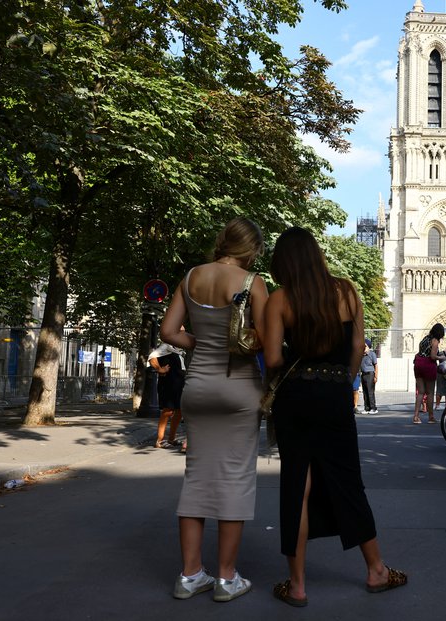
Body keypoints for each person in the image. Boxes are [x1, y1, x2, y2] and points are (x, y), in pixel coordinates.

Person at [264, 226, 406, 607]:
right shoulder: (346, 291)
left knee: (297, 485)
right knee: (347, 480)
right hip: (333, 393)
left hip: (295, 397)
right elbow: (359, 345)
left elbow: (275, 359)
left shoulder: (279, 299)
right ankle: (376, 569)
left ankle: (296, 586)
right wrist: (342, 379)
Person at [160, 217, 268, 602]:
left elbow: (169, 332)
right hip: (238, 389)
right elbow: (266, 340)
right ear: (251, 248)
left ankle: (190, 575)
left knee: (197, 479)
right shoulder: (252, 283)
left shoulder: (190, 278)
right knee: (235, 479)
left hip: (198, 388)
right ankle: (226, 578)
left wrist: (200, 342)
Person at [148, 341, 185, 449]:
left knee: (180, 411)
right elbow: (152, 357)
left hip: (179, 385)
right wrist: (160, 369)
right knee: (168, 410)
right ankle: (159, 441)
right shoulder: (165, 346)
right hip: (168, 384)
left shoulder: (177, 350)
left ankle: (171, 439)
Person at [413, 324, 445, 424]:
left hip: (418, 363)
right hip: (428, 365)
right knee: (430, 392)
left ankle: (416, 416)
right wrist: (442, 358)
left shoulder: (425, 339)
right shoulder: (435, 341)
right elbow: (432, 356)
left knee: (421, 392)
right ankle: (431, 417)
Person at [360, 339, 378, 414]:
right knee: (365, 392)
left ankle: (373, 408)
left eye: (365, 346)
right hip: (363, 374)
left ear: (368, 346)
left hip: (370, 374)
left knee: (370, 392)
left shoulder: (372, 354)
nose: (363, 347)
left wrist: (376, 376)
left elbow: (376, 366)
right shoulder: (361, 355)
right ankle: (366, 408)